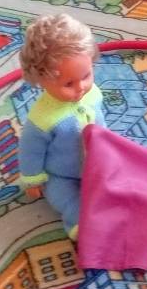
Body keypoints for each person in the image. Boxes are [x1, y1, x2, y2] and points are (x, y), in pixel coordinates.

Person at [18, 13, 103, 239]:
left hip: (97, 161)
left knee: (124, 179)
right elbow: (30, 151)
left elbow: (100, 123)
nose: (81, 87)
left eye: (86, 75)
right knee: (65, 198)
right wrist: (32, 178)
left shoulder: (94, 94)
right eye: (68, 83)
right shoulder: (42, 119)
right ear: (41, 79)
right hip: (61, 175)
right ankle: (77, 223)